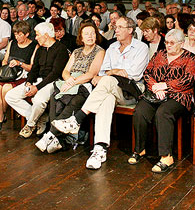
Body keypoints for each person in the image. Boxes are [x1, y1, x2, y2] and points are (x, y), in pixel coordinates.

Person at [52, 16, 148, 170]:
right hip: (111, 90)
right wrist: (115, 72)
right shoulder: (112, 48)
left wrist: (112, 72)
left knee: (107, 81)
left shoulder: (141, 47)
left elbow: (135, 74)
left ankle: (77, 119)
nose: (115, 30)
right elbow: (102, 72)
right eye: (115, 27)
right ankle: (100, 148)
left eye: (120, 27)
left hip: (131, 91)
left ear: (130, 30)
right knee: (106, 99)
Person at [129, 28, 195, 172]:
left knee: (163, 113)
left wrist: (165, 86)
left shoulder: (190, 57)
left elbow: (189, 80)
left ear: (182, 43)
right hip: (155, 93)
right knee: (140, 110)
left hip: (179, 96)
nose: (168, 45)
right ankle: (140, 149)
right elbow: (147, 72)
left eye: (172, 43)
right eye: (166, 42)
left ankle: (166, 156)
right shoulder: (159, 54)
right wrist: (155, 87)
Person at [35, 22, 105, 153]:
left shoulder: (100, 51)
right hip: (70, 81)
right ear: (81, 37)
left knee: (74, 100)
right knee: (55, 97)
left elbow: (91, 74)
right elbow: (65, 71)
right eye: (86, 34)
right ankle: (58, 140)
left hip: (84, 84)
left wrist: (73, 82)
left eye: (93, 33)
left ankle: (50, 135)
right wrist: (68, 80)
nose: (90, 36)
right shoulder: (76, 51)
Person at [7, 22, 70, 138]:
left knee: (39, 100)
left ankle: (30, 124)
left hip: (52, 82)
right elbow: (34, 68)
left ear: (46, 35)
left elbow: (55, 73)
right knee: (10, 96)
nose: (35, 38)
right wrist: (29, 82)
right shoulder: (40, 49)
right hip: (36, 80)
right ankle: (40, 117)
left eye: (37, 35)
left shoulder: (61, 49)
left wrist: (37, 88)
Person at [0, 20, 37, 132]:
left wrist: (19, 63)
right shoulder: (12, 43)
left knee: (6, 88)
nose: (17, 37)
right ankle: (1, 116)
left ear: (27, 34)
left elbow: (32, 67)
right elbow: (5, 60)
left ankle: (0, 116)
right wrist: (7, 65)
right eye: (15, 34)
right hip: (9, 73)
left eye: (20, 34)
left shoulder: (34, 45)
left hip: (22, 74)